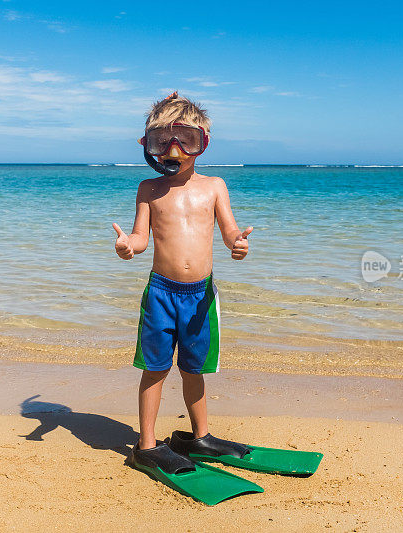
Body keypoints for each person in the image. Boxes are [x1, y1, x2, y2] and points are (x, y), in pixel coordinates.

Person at [112, 92, 253, 457]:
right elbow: (142, 238)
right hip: (161, 293)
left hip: (200, 296)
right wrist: (128, 245)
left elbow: (229, 234)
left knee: (194, 369)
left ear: (202, 144)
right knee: (155, 368)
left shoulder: (214, 187)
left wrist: (238, 244)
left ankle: (200, 437)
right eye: (163, 142)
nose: (174, 151)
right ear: (150, 146)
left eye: (186, 140)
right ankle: (146, 444)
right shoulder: (149, 189)